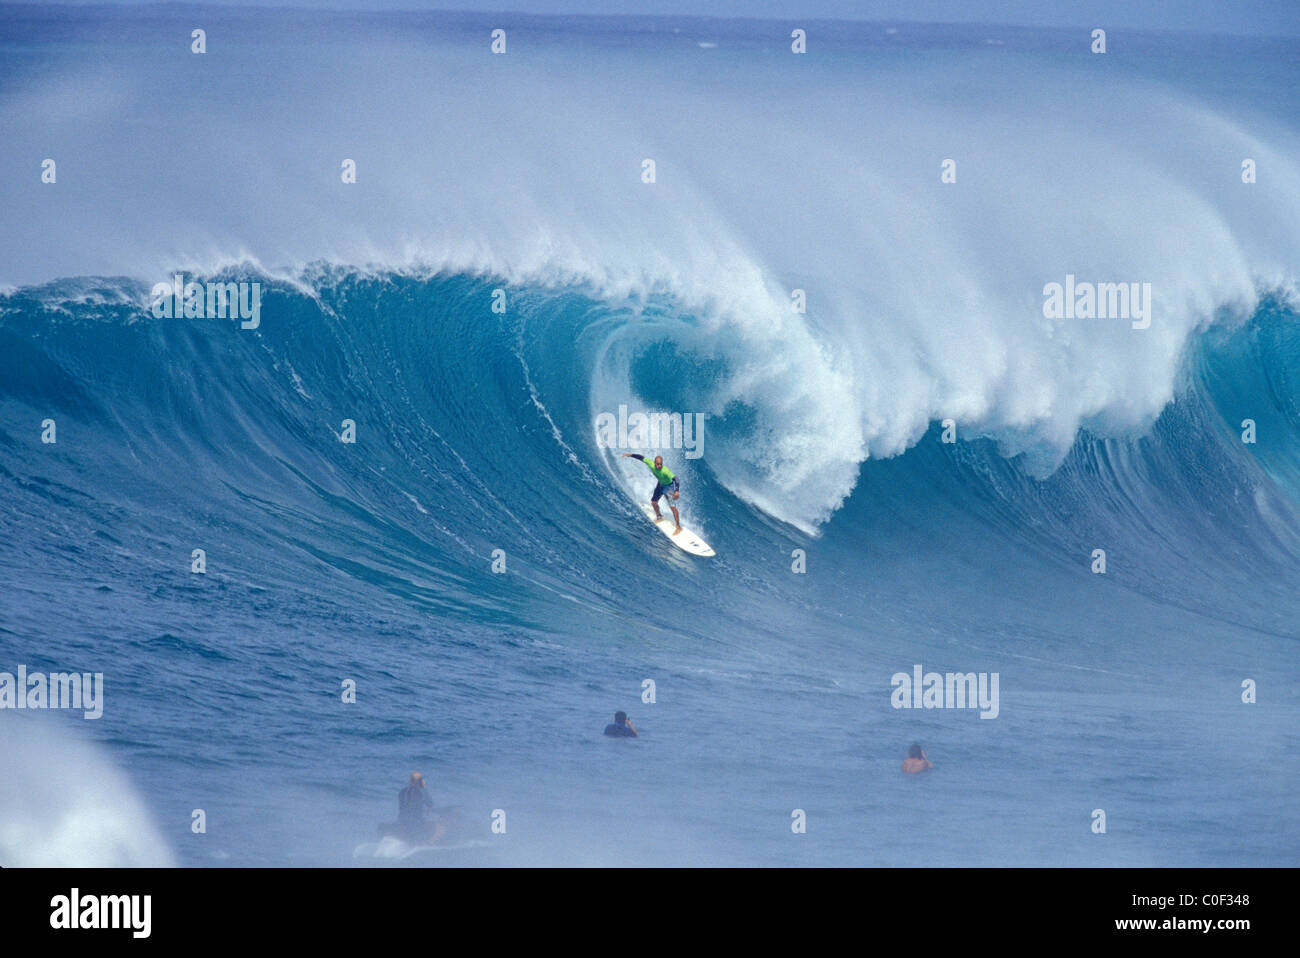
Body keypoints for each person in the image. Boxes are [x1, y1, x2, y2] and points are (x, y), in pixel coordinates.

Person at [622, 452, 682, 535]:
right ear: (654, 463)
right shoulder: (650, 463)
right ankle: (659, 516)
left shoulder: (665, 471)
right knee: (653, 502)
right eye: (657, 464)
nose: (659, 466)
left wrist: (676, 491)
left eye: (660, 464)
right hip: (660, 484)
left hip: (669, 487)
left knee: (672, 507)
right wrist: (630, 455)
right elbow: (641, 457)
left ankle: (678, 527)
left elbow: (676, 479)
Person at [396, 771, 447, 843]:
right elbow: (430, 804)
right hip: (416, 822)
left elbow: (403, 807)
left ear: (410, 780)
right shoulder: (422, 791)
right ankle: (428, 843)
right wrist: (424, 787)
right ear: (420, 781)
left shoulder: (402, 791)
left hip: (401, 821)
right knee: (441, 827)